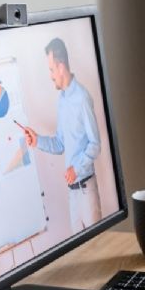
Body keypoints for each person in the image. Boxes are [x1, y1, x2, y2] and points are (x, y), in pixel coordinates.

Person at [20, 38, 102, 233]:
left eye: (51, 70)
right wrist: (37, 139)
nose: (50, 76)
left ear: (61, 66)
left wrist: (77, 167)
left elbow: (95, 144)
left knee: (96, 247)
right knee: (79, 255)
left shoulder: (82, 98)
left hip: (86, 190)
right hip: (72, 193)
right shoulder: (62, 100)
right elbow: (60, 143)